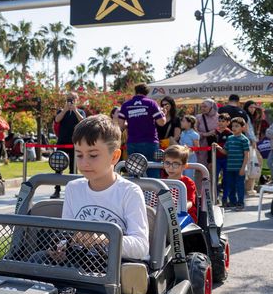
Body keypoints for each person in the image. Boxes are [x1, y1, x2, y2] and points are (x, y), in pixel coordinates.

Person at [62, 115, 149, 261]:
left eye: (93, 155)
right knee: (36, 259)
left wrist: (104, 238)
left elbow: (141, 247)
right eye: (79, 155)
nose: (84, 163)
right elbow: (66, 233)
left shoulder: (129, 192)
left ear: (115, 156)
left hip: (116, 268)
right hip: (78, 263)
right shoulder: (73, 188)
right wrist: (60, 247)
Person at [116, 84, 166, 173]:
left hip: (132, 142)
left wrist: (132, 121)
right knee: (152, 171)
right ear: (147, 93)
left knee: (135, 171)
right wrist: (163, 114)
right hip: (150, 142)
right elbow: (161, 122)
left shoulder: (126, 105)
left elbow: (121, 125)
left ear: (135, 92)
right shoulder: (151, 103)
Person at [162, 145, 197, 224]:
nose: (170, 168)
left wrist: (177, 207)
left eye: (176, 164)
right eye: (167, 163)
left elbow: (190, 202)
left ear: (184, 166)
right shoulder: (161, 182)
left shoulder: (188, 182)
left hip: (184, 216)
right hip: (164, 215)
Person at [223, 117, 251, 211]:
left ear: (242, 128)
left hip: (239, 168)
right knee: (230, 185)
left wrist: (243, 168)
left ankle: (240, 203)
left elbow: (246, 155)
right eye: (233, 126)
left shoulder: (244, 139)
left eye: (237, 126)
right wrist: (218, 148)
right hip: (230, 167)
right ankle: (232, 202)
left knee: (239, 186)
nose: (234, 128)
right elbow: (226, 151)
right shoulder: (229, 138)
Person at [196, 99, 220, 166]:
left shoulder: (219, 117)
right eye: (201, 107)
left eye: (205, 106)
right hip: (202, 147)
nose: (202, 108)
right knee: (201, 168)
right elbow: (194, 133)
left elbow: (223, 130)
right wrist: (205, 134)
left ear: (211, 107)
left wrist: (216, 132)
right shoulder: (198, 118)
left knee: (214, 169)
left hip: (215, 147)